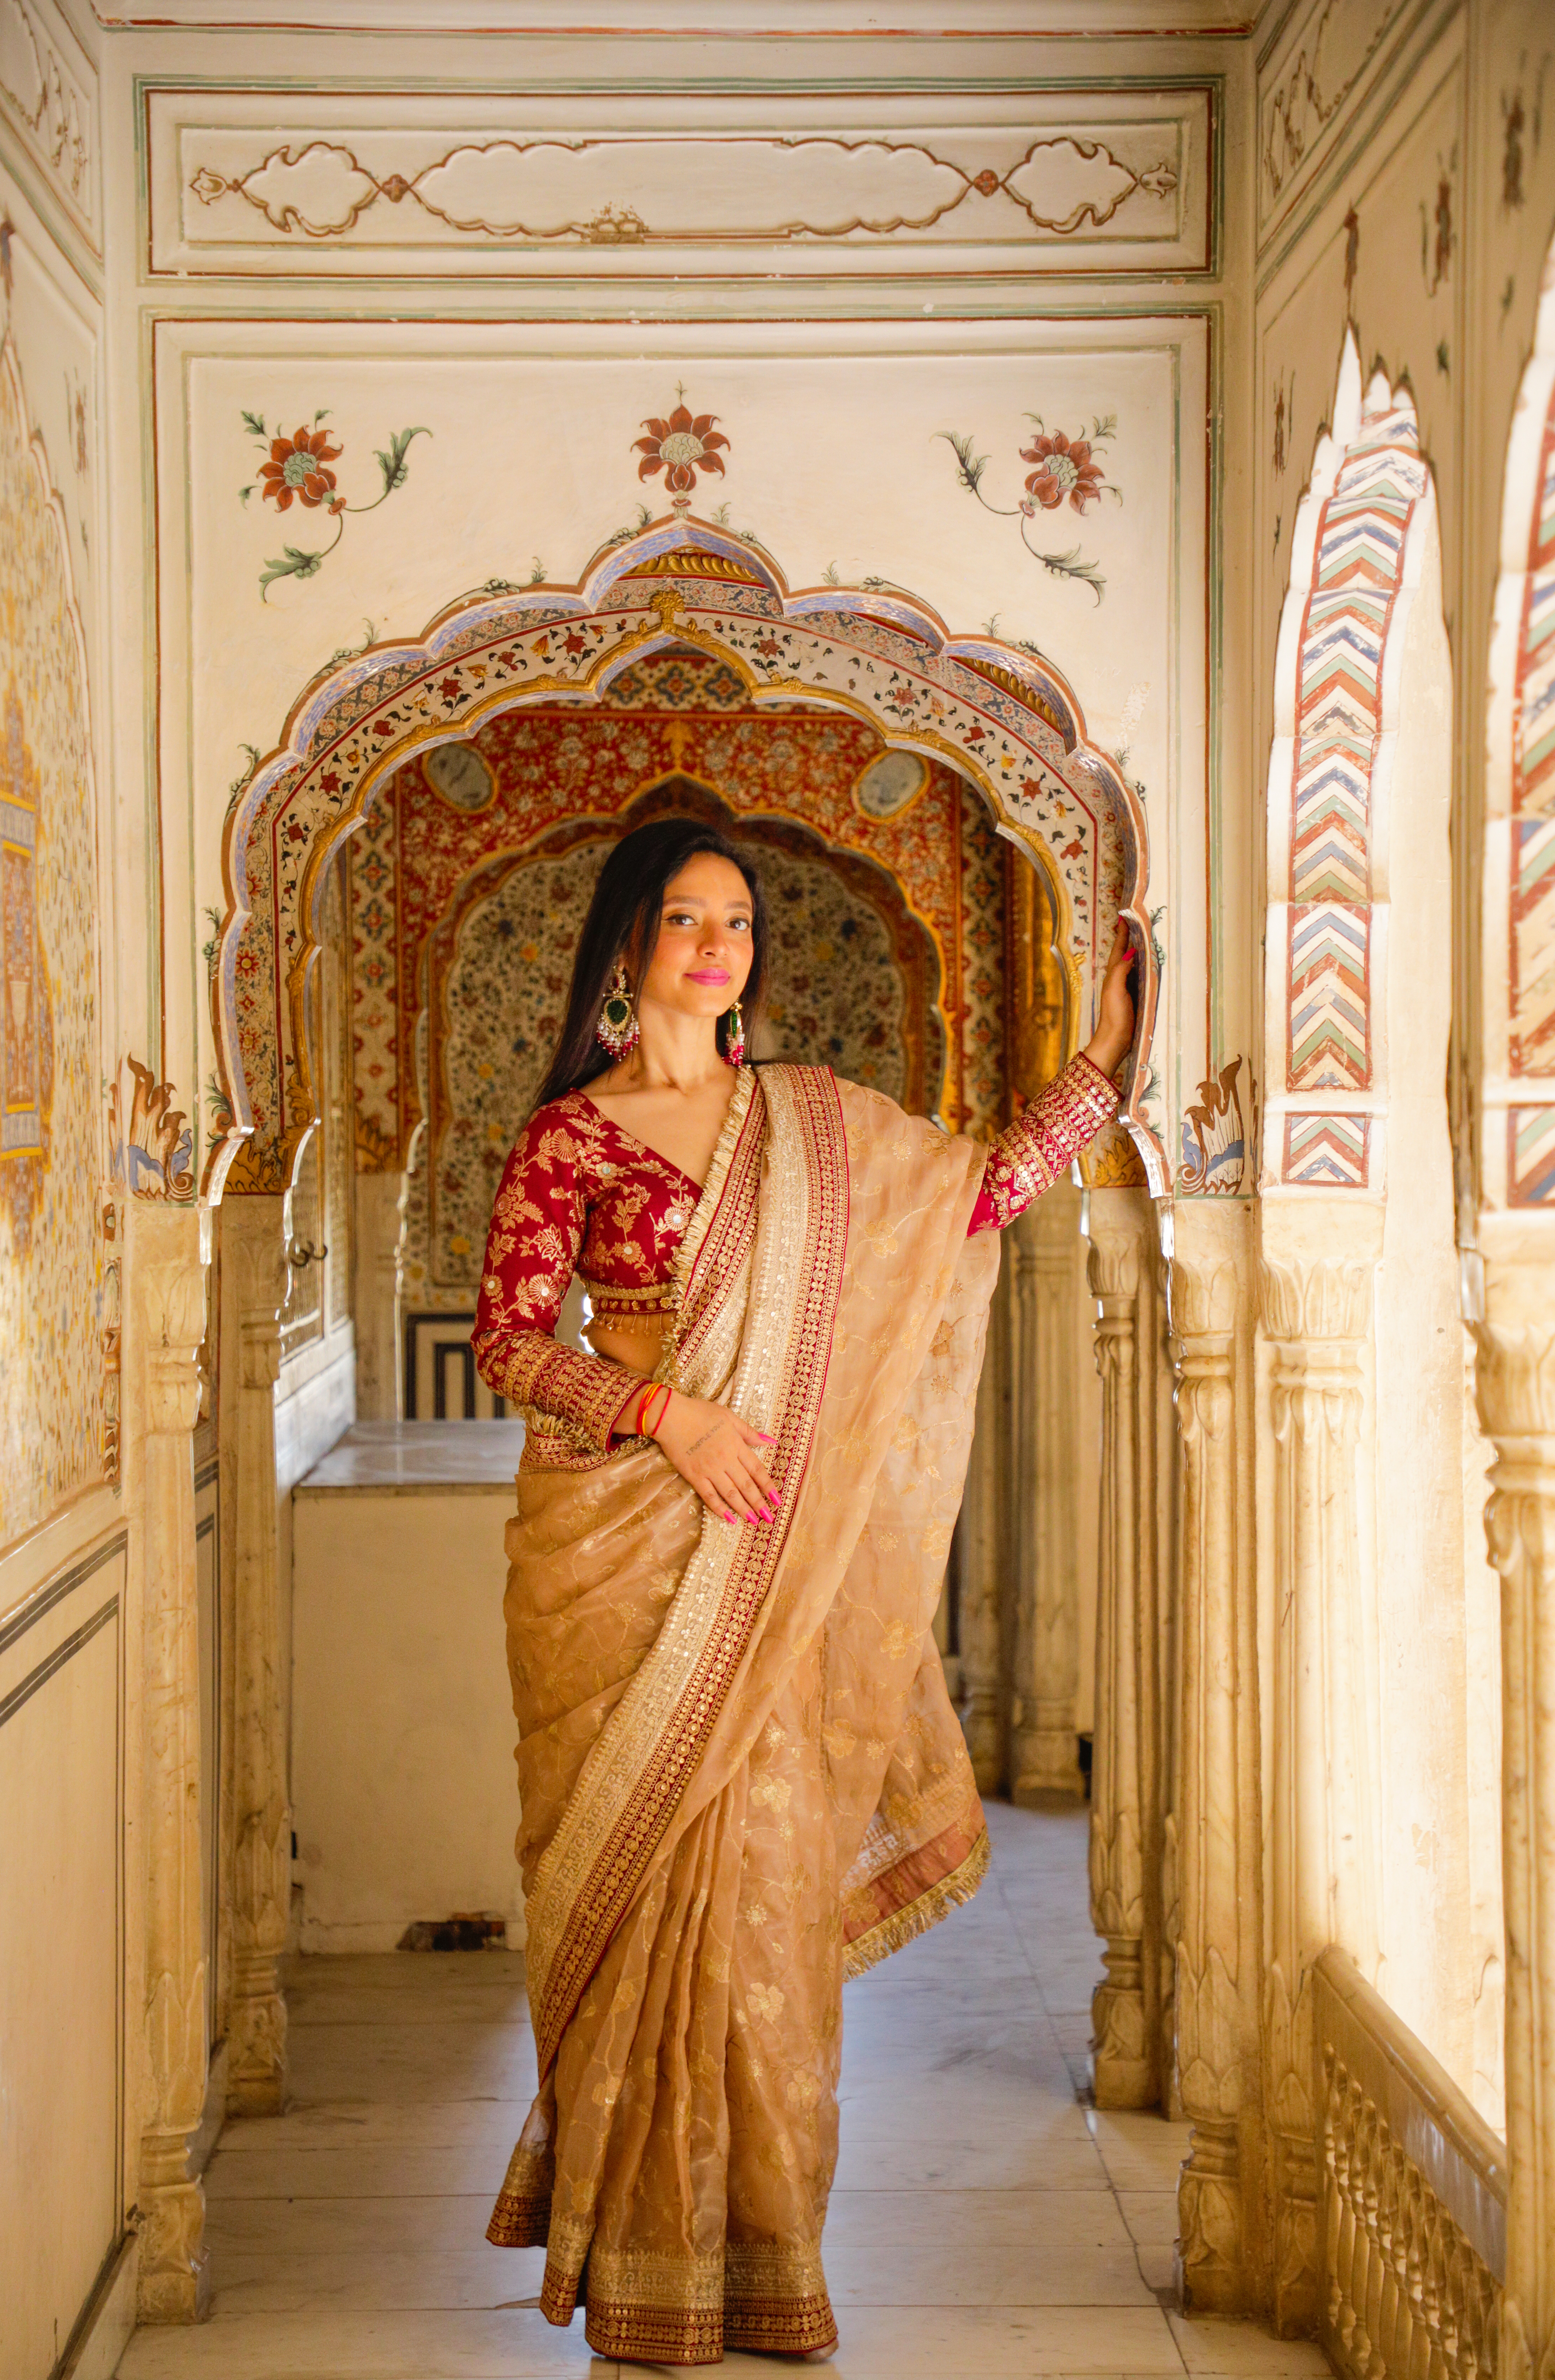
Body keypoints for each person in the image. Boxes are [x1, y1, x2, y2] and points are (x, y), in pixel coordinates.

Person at [471, 815, 1136, 2366]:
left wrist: (1095, 1082)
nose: (720, 946)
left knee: (762, 1916)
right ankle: (638, 2266)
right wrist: (667, 1415)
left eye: (739, 923)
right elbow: (509, 1342)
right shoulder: (567, 1136)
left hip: (773, 1554)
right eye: (687, 921)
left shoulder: (817, 1129)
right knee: (632, 1910)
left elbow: (964, 1203)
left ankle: (763, 2263)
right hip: (621, 1556)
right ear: (626, 949)